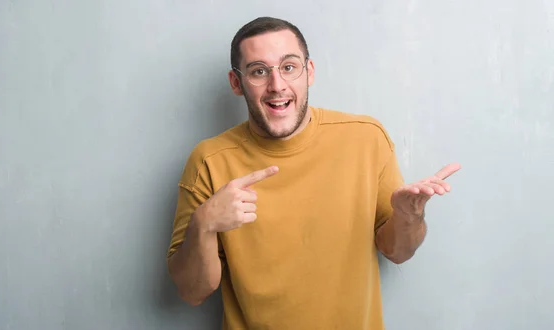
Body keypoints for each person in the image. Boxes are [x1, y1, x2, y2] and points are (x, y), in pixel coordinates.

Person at [166, 16, 461, 330]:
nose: (277, 85)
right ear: (236, 83)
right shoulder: (208, 161)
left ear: (309, 72)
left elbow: (398, 252)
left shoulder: (366, 138)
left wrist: (409, 216)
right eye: (258, 71)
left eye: (289, 67)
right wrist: (204, 224)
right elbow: (192, 292)